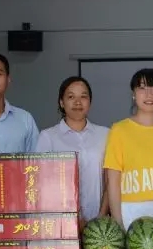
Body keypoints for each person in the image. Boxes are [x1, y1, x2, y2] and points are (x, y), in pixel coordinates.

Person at [104, 68, 153, 230]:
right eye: (142, 88)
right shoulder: (119, 130)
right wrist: (118, 222)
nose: (149, 94)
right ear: (133, 94)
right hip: (128, 210)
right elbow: (113, 180)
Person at [35, 76, 109, 226]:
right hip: (62, 224)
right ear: (61, 102)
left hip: (101, 223)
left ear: (90, 102)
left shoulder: (106, 135)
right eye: (71, 97)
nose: (77, 102)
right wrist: (74, 219)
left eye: (83, 96)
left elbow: (111, 180)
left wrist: (101, 218)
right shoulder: (48, 137)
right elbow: (41, 184)